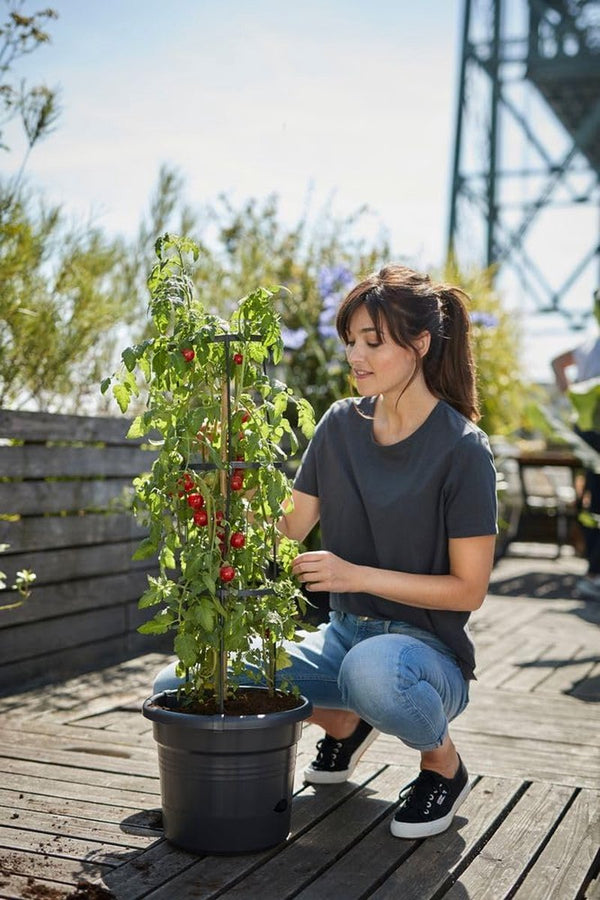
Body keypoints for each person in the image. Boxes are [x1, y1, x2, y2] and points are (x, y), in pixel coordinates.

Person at [154, 264, 498, 840]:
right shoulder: (340, 425)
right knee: (177, 686)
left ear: (419, 343)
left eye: (372, 342)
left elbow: (470, 590)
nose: (355, 357)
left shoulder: (462, 449)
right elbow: (288, 525)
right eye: (349, 343)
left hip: (423, 657)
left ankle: (442, 762)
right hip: (342, 639)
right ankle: (344, 721)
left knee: (373, 671)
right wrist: (220, 481)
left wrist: (353, 572)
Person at [552, 289, 600, 599]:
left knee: (592, 499)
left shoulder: (588, 344)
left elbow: (557, 363)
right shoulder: (592, 345)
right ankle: (595, 572)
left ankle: (594, 571)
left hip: (586, 430)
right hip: (593, 431)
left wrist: (571, 398)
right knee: (594, 501)